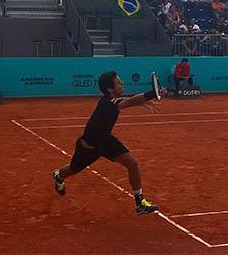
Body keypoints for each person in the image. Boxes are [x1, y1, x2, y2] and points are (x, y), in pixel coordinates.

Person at [52, 71, 160, 215]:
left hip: (105, 141)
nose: (122, 84)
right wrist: (152, 93)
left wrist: (142, 100)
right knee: (72, 169)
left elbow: (129, 101)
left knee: (132, 163)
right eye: (118, 82)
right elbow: (131, 101)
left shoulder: (113, 100)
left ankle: (139, 202)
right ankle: (58, 176)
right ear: (110, 89)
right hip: (88, 147)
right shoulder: (108, 102)